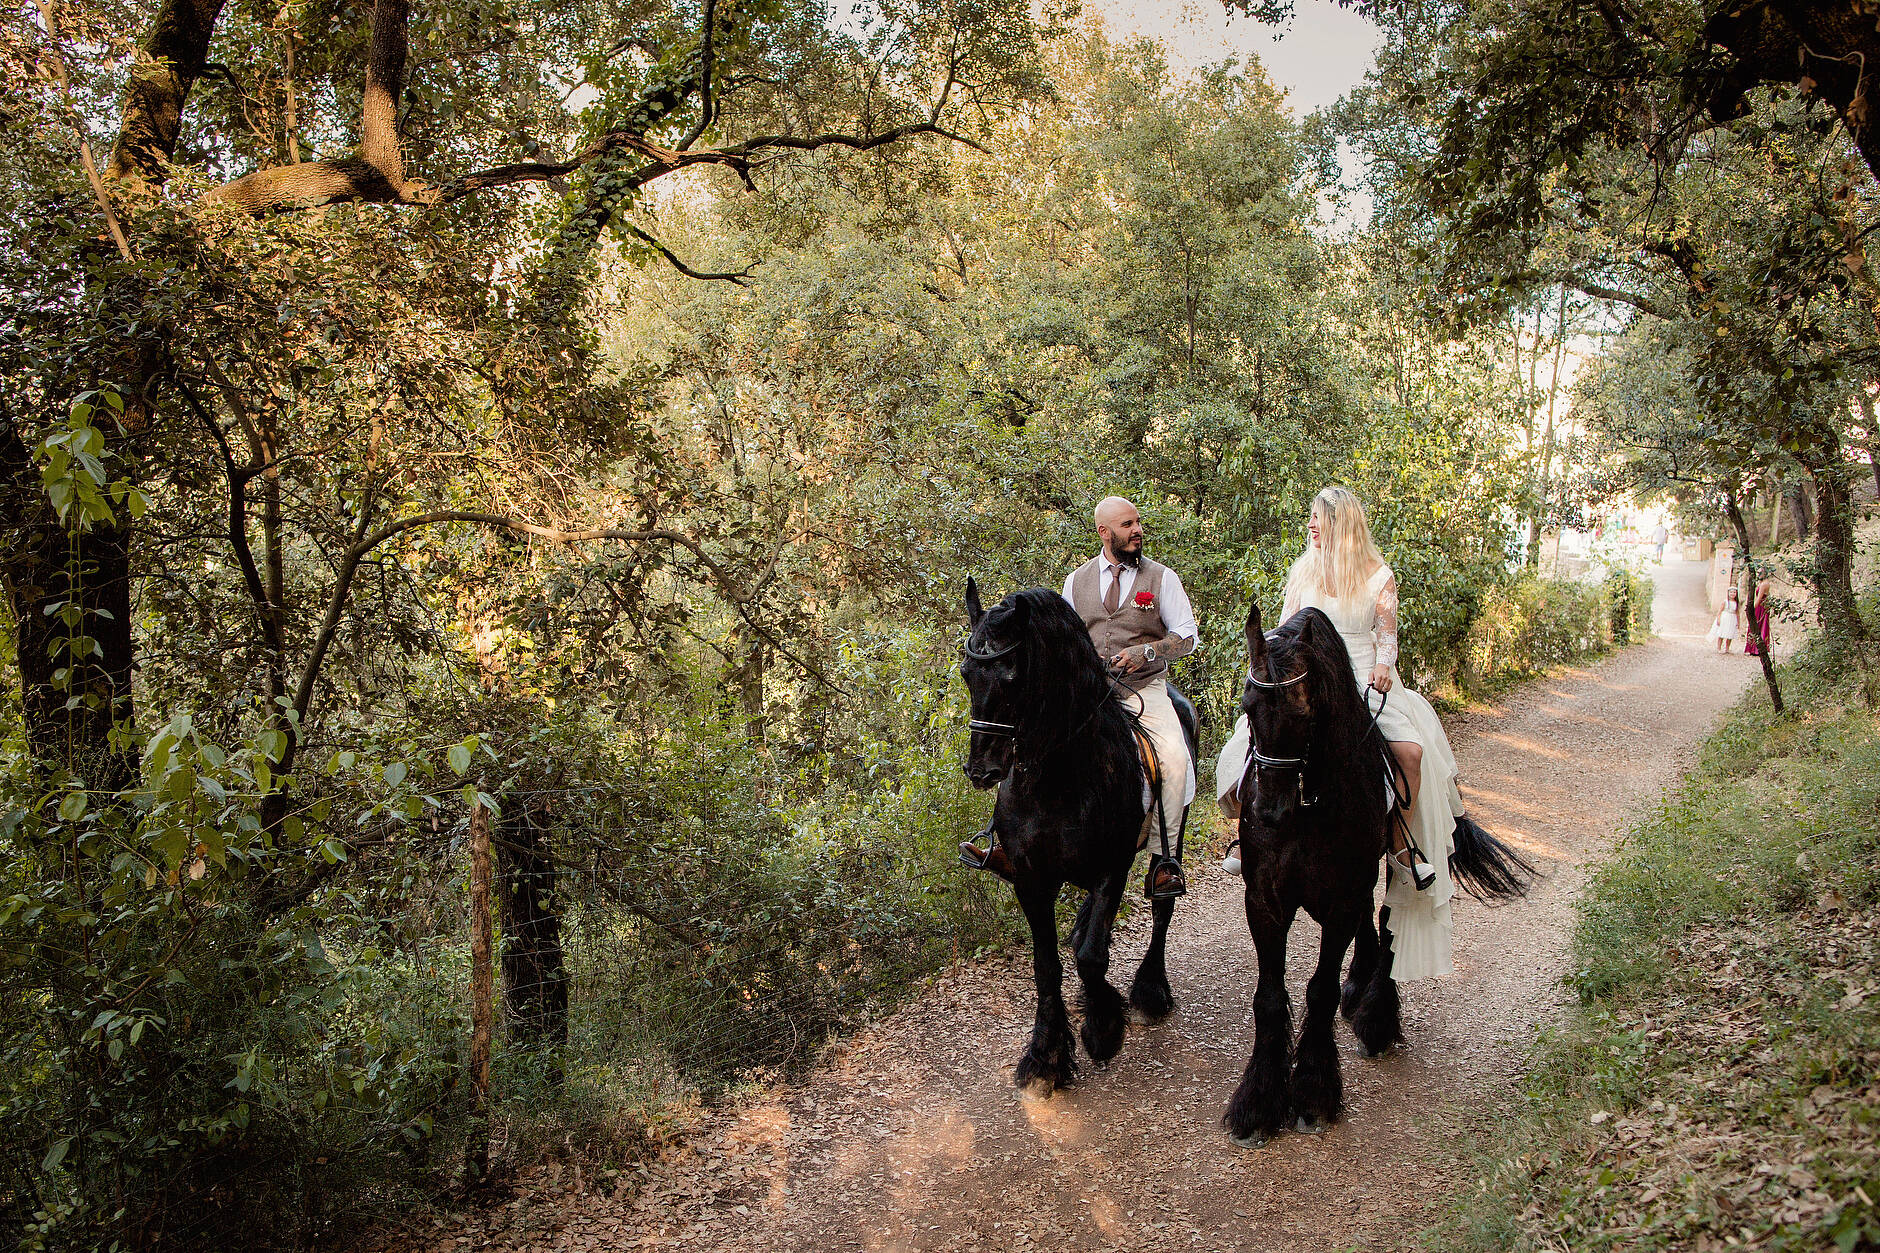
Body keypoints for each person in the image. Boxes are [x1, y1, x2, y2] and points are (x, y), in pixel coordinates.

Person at [1215, 486, 1470, 981]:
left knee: (1411, 753)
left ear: (1341, 524)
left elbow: (1387, 638)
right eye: (1310, 517)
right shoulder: (1302, 570)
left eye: (1317, 518)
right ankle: (1245, 836)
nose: (1309, 525)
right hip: (1308, 680)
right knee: (1247, 744)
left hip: (1359, 678)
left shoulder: (1378, 576)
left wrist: (1382, 666)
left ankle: (1400, 844)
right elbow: (1286, 630)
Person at [1064, 497, 1199, 898]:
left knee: (1174, 760)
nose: (1137, 530)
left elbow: (1187, 636)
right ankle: (1008, 845)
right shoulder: (1076, 581)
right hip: (1089, 694)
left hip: (1145, 689)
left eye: (1138, 522)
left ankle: (1165, 860)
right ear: (1104, 533)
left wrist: (1147, 652)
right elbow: (1067, 639)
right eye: (1127, 524)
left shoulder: (1162, 578)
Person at [1744, 575, 1773, 658]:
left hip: (1760, 607)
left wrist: (1751, 609)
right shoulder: (1764, 583)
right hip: (1762, 606)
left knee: (1756, 625)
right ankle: (1755, 648)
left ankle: (1755, 648)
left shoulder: (1764, 584)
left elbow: (1759, 598)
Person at [1709, 586, 1743, 653]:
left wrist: (1738, 622)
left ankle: (1727, 648)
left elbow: (1737, 613)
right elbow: (1720, 611)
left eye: (1734, 592)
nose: (1732, 594)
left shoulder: (1736, 603)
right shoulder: (1725, 602)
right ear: (1728, 593)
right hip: (1725, 617)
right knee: (1722, 633)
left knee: (1730, 633)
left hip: (1732, 618)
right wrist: (1718, 619)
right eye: (1731, 592)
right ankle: (1719, 648)